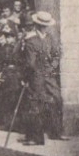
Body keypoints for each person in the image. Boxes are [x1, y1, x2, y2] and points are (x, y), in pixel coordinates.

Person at [19, 11, 63, 145]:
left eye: (46, 25)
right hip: (35, 76)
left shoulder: (50, 38)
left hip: (49, 75)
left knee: (56, 99)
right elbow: (29, 63)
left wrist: (52, 67)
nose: (44, 28)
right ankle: (35, 138)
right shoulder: (30, 41)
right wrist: (26, 78)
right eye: (41, 25)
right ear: (37, 25)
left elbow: (56, 54)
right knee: (35, 104)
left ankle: (56, 132)